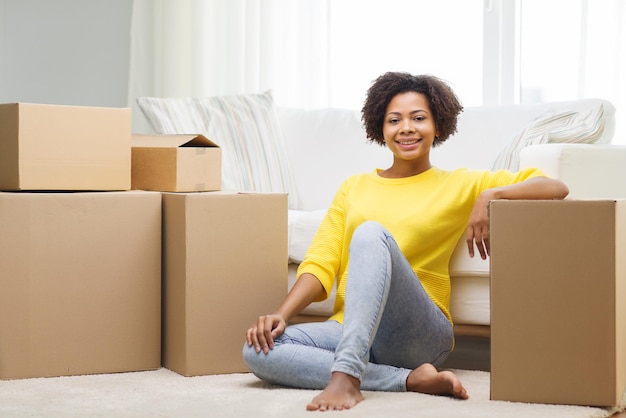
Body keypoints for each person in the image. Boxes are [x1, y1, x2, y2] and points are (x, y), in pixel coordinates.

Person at [243, 72, 569, 411]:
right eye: (394, 120)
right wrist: (280, 315)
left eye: (418, 118)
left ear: (438, 126)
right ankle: (408, 380)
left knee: (370, 233)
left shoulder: (459, 183)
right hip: (352, 330)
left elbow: (556, 187)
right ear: (381, 129)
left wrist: (491, 194)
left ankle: (347, 378)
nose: (406, 128)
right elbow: (321, 262)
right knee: (258, 350)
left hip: (420, 334)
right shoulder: (354, 186)